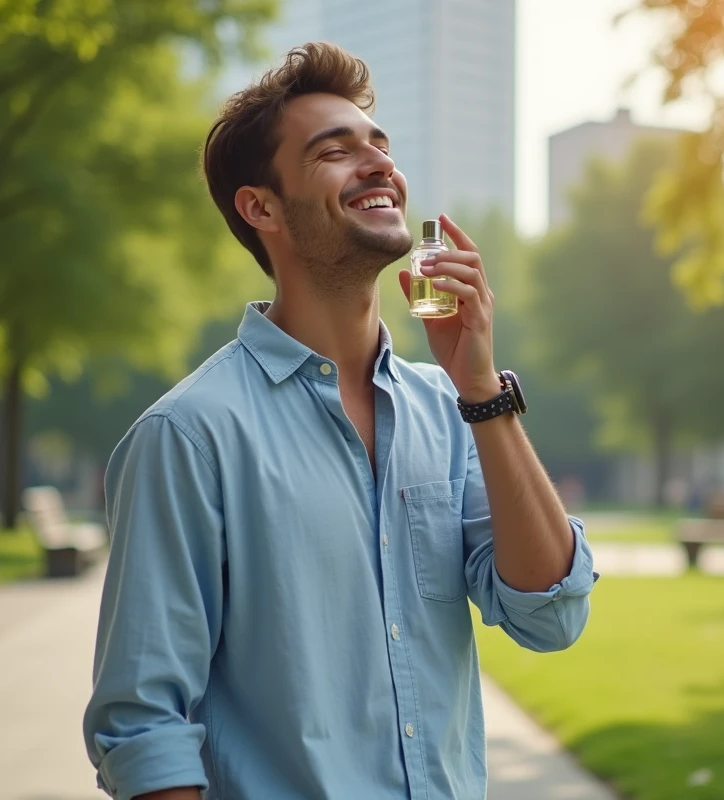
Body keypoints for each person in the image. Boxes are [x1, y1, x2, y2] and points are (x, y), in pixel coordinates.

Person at [83, 42, 598, 800]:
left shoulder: (449, 411)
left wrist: (481, 387)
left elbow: (550, 616)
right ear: (261, 207)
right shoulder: (189, 436)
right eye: (336, 150)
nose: (378, 163)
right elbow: (144, 727)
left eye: (380, 145)